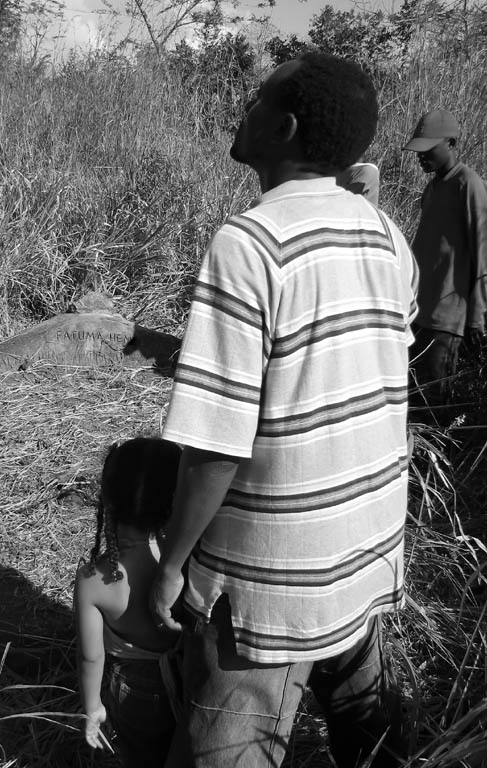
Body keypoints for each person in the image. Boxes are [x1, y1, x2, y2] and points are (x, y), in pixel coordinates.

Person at [152, 52, 418, 768]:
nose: (242, 108)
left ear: (282, 127)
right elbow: (366, 360)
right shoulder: (386, 234)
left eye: (254, 100)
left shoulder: (247, 245)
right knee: (375, 744)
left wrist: (172, 564)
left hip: (265, 584)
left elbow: (215, 442)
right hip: (363, 555)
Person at [74, 437, 182, 767]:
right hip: (189, 676)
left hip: (136, 693)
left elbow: (91, 657)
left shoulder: (95, 579)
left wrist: (93, 706)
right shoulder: (184, 561)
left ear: (109, 499)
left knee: (141, 756)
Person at [403, 108, 487, 417]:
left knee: (437, 408)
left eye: (428, 149)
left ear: (451, 144)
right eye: (418, 150)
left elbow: (483, 253)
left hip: (447, 320)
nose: (420, 157)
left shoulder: (469, 185)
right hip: (419, 314)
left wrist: (477, 317)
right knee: (413, 402)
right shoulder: (433, 187)